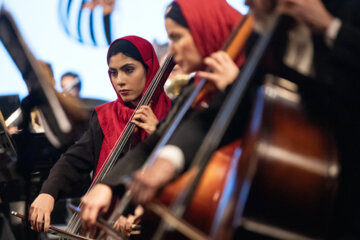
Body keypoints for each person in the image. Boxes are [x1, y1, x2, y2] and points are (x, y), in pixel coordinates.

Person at [80, 0, 246, 234]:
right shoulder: (194, 89)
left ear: (204, 29)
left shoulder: (251, 77)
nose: (172, 50)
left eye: (177, 37)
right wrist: (107, 186)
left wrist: (236, 89)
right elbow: (157, 140)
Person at [28, 35, 172, 233]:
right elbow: (73, 161)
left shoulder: (174, 114)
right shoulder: (105, 116)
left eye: (128, 70)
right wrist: (48, 193)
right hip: (103, 228)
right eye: (113, 72)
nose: (120, 80)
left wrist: (159, 132)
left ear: (149, 68)